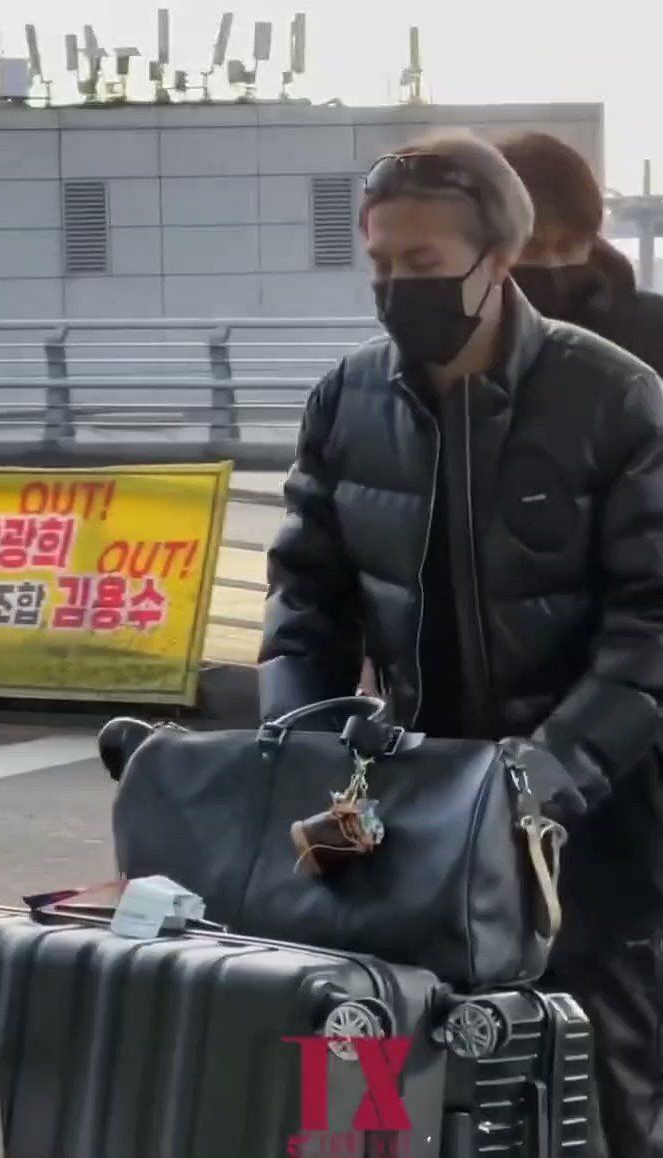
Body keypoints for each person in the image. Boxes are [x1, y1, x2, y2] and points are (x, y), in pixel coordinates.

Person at [259, 131, 663, 1157]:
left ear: (499, 259)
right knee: (359, 1088)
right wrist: (301, 747)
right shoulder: (343, 402)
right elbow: (306, 603)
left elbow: (651, 626)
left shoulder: (614, 399)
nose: (396, 289)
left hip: (593, 835)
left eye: (423, 266)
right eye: (381, 265)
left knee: (594, 1101)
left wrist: (547, 778)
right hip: (403, 816)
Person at [498, 130, 663, 374]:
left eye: (567, 247)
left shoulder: (652, 328)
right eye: (531, 248)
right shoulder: (463, 337)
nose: (551, 262)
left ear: (591, 242)